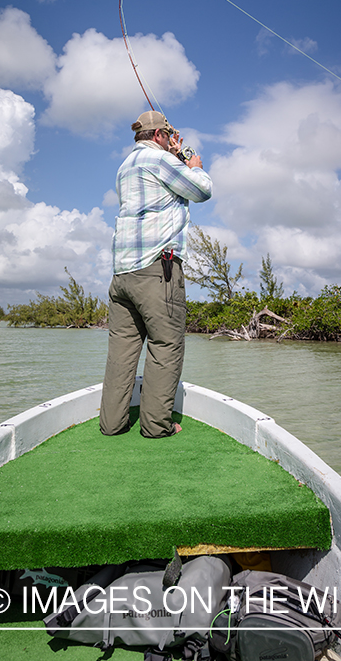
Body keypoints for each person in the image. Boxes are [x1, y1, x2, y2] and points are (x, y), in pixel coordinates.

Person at [99, 110, 213, 438]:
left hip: (121, 274)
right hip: (156, 269)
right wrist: (192, 165)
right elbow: (201, 191)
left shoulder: (125, 168)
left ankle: (112, 424)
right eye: (168, 137)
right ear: (160, 136)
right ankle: (156, 426)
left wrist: (174, 154)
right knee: (166, 344)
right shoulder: (161, 162)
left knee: (121, 351)